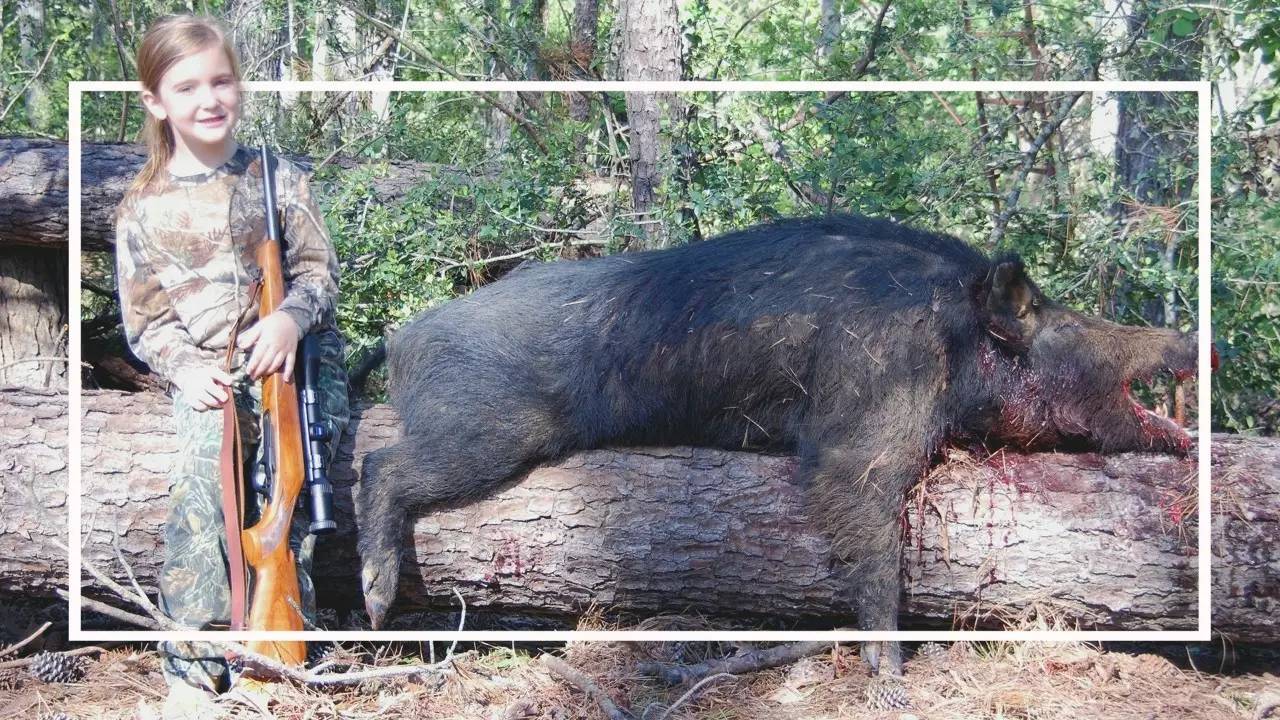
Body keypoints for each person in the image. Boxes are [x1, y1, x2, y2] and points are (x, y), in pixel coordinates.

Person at [114, 14, 350, 718]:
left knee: (291, 489)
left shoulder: (275, 179)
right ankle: (191, 661)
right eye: (187, 86)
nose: (209, 98)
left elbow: (318, 273)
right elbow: (147, 320)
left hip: (296, 362)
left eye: (221, 80)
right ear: (157, 101)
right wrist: (185, 369)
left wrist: (288, 319)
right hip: (208, 371)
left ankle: (270, 661)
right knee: (199, 479)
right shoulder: (142, 209)